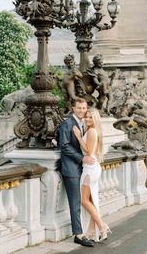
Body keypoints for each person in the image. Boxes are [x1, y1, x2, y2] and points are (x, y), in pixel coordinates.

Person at [58, 98, 95, 247]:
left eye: (84, 108)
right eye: (79, 108)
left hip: (83, 169)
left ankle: (87, 231)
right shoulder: (66, 124)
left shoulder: (84, 124)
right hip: (71, 168)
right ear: (73, 108)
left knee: (84, 201)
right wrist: (82, 158)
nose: (82, 110)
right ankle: (78, 235)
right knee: (75, 202)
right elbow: (64, 146)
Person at [73, 107, 111, 242]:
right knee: (91, 201)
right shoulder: (93, 131)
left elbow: (88, 152)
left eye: (90, 117)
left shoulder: (91, 132)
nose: (88, 119)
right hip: (92, 168)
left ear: (95, 119)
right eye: (87, 116)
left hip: (89, 169)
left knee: (84, 201)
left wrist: (78, 136)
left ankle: (102, 226)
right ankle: (91, 231)